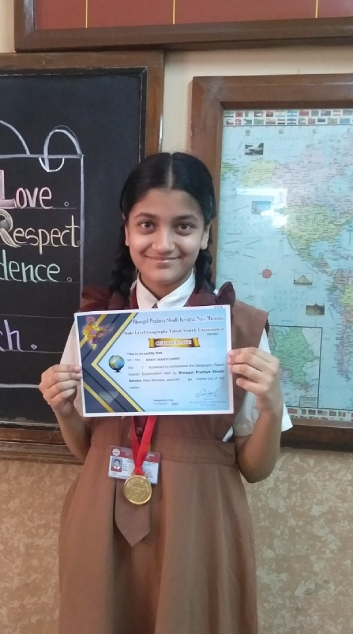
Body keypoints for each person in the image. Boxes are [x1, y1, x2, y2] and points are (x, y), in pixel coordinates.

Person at [38, 152, 291, 634]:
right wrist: (65, 411)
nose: (163, 243)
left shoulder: (239, 328)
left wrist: (272, 405)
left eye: (183, 226)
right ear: (127, 229)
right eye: (147, 224)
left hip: (198, 523)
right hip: (101, 519)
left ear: (206, 233)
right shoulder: (97, 327)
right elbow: (87, 451)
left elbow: (255, 470)